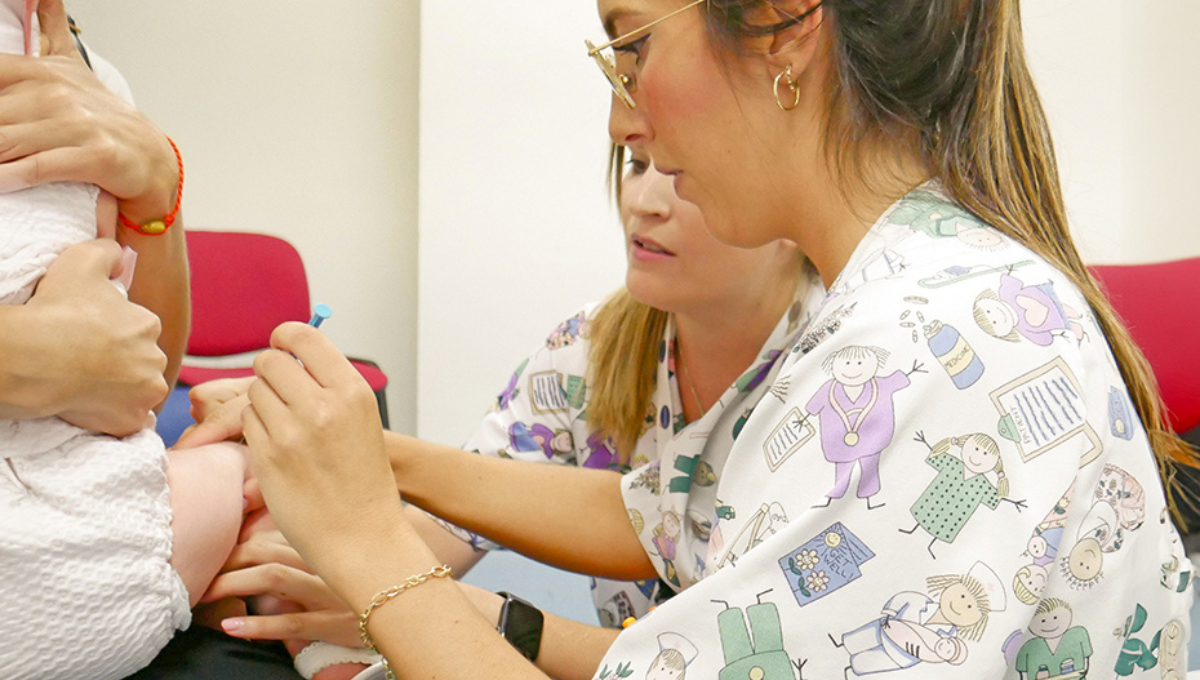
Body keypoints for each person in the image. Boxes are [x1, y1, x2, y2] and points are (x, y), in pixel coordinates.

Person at [215, 0, 1195, 678]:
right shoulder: (911, 309)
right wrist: (373, 459)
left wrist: (365, 538)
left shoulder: (915, 356)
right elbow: (666, 510)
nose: (621, 117)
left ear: (783, 28)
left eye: (632, 47)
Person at [186, 145, 822, 680]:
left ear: (793, 199)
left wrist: (473, 610)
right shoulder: (590, 352)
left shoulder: (846, 374)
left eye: (684, 173)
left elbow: (743, 658)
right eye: (636, 162)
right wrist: (276, 520)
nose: (645, 201)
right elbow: (437, 531)